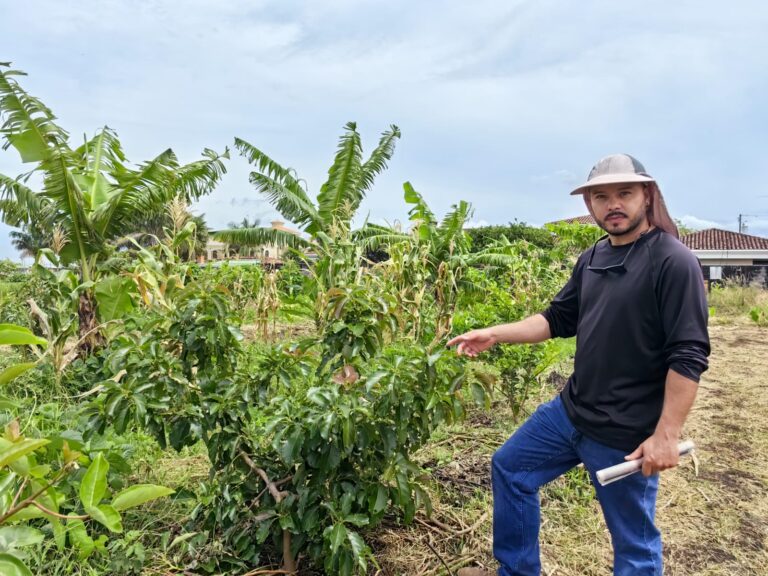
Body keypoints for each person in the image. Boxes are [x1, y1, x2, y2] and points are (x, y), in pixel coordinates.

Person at [448, 154, 710, 576]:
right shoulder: (592, 258)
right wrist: (495, 333)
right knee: (511, 469)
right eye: (601, 196)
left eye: (624, 193)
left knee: (634, 545)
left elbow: (689, 354)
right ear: (589, 204)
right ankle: (516, 571)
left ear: (647, 195)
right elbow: (557, 319)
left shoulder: (672, 261)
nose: (613, 204)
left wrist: (666, 434)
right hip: (570, 413)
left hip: (624, 432)